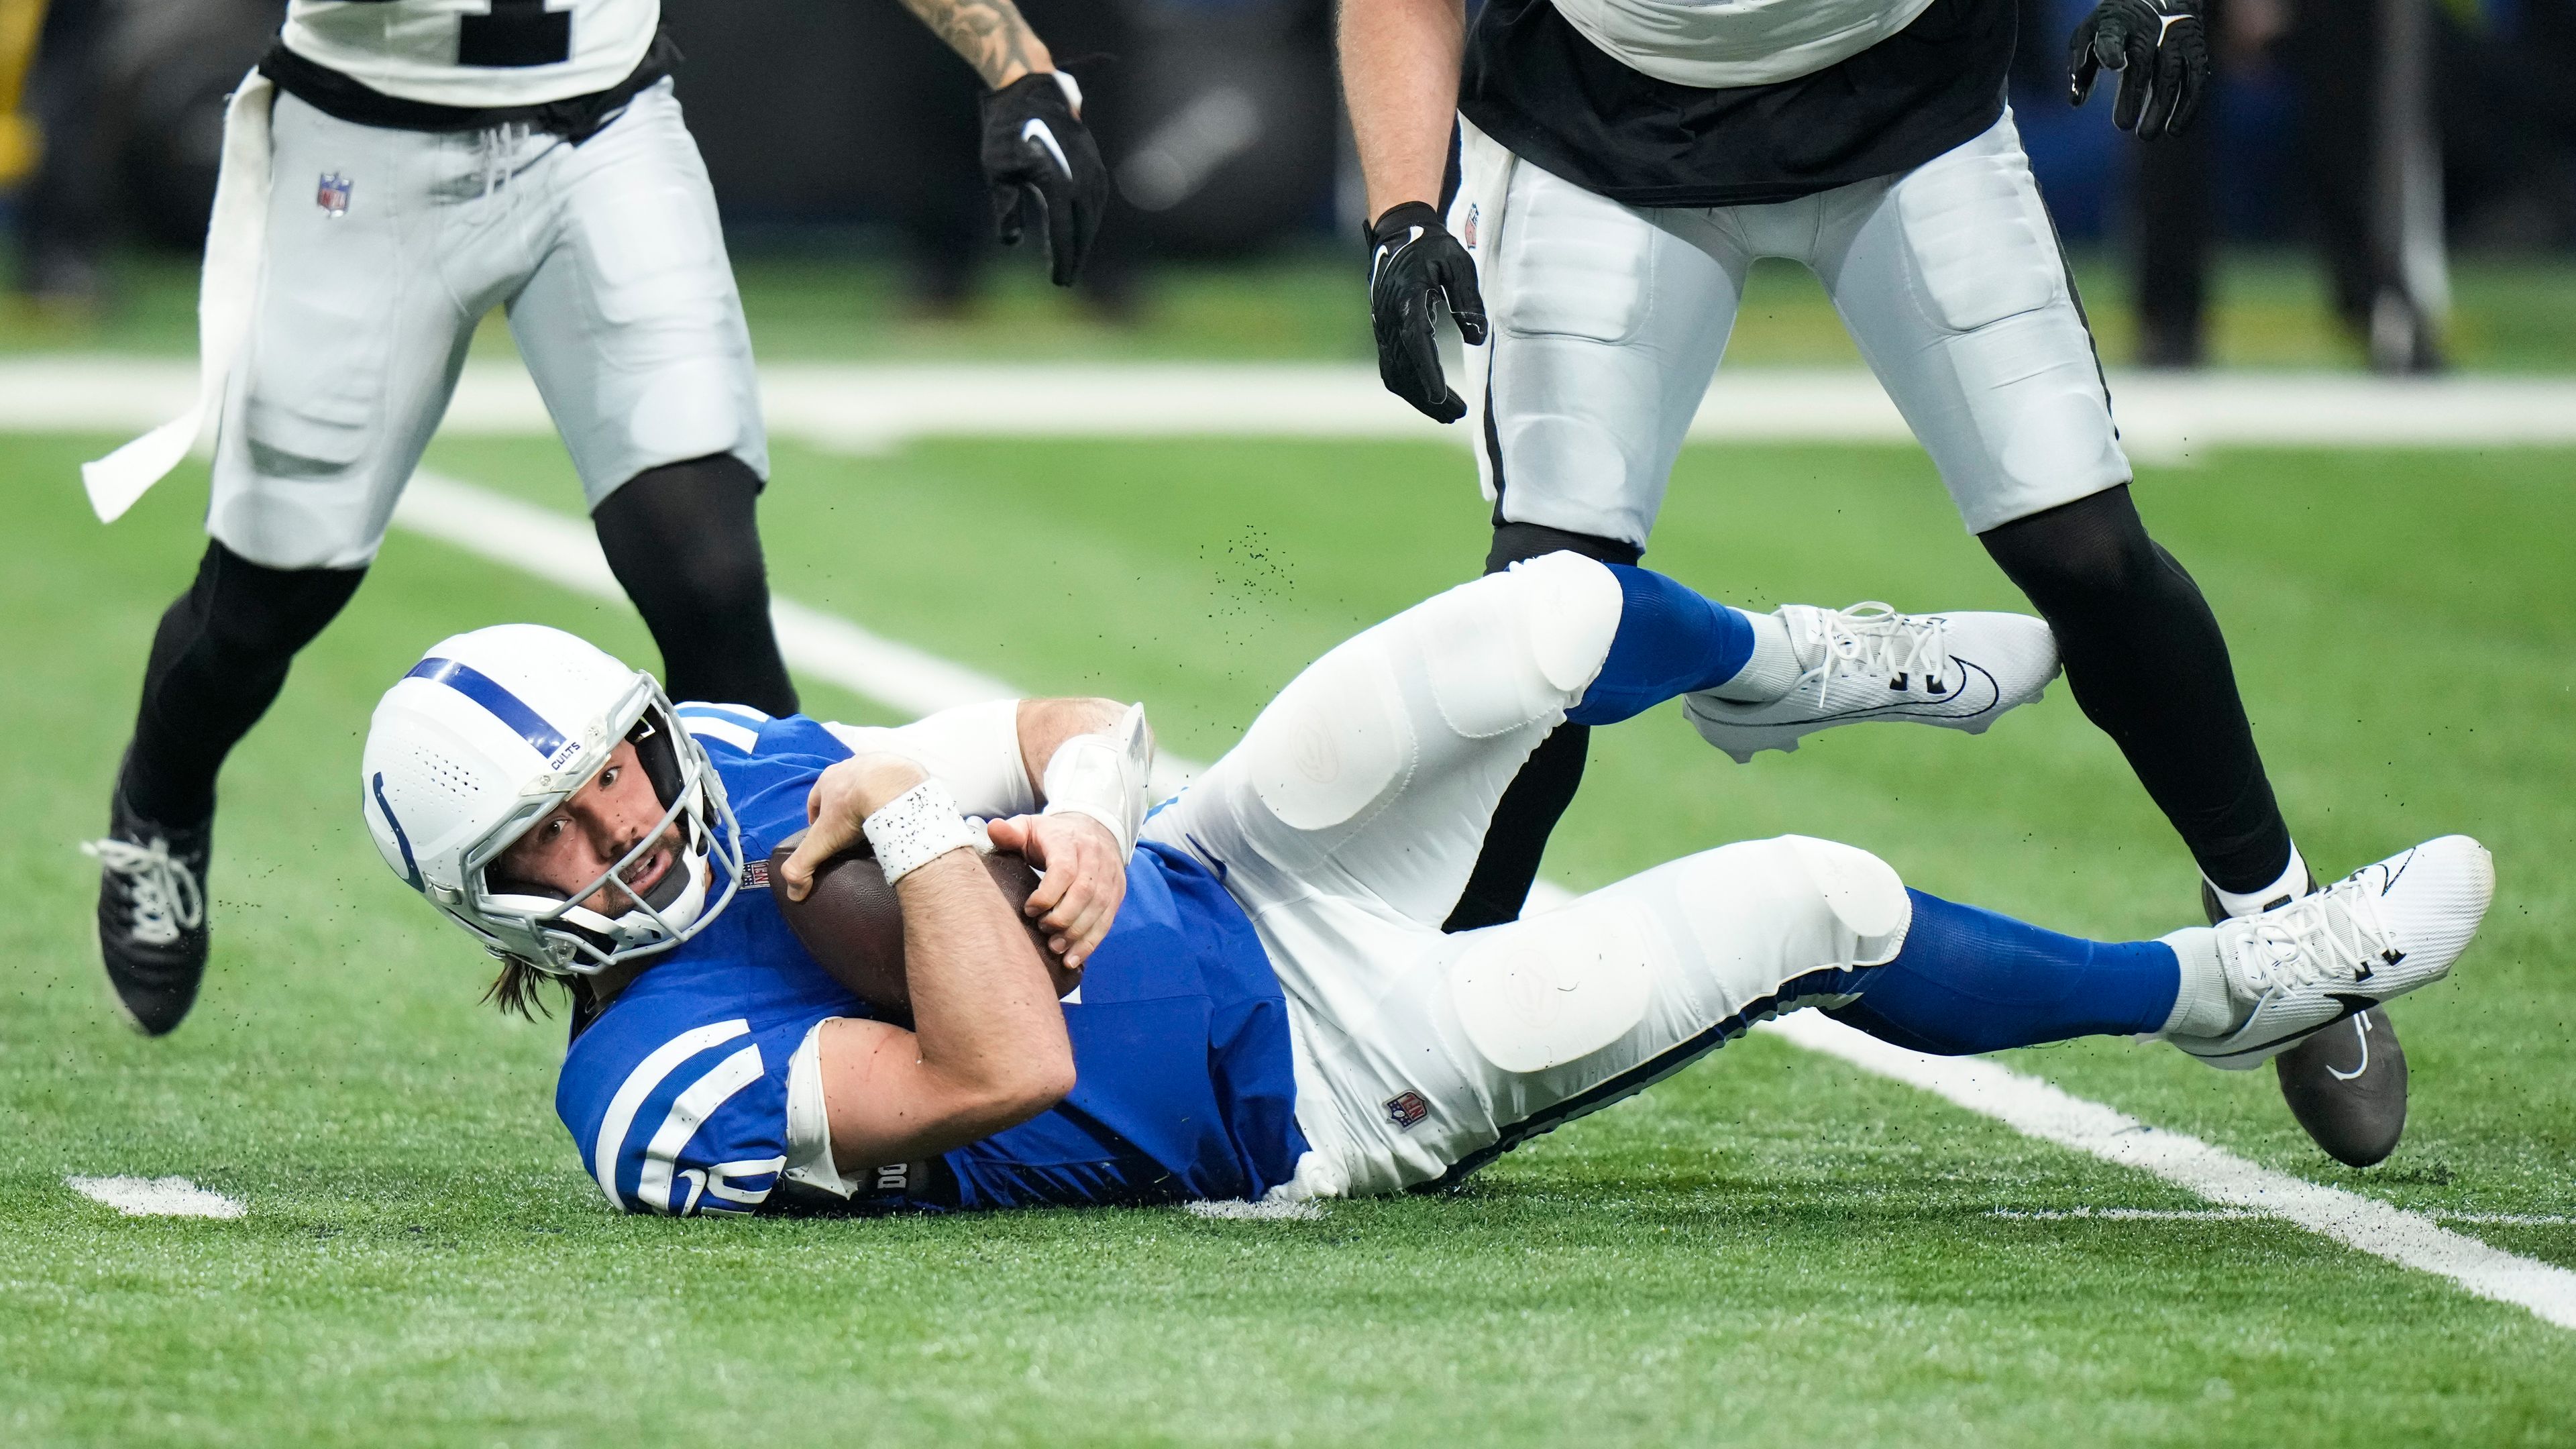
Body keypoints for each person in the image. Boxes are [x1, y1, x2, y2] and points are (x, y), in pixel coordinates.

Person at [358, 555, 2489, 1215]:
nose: (614, 826)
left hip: (1219, 873)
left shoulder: (732, 761)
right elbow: (997, 1061)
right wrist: (916, 815)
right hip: (1331, 1088)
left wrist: (1089, 813)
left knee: (1543, 613)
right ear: (490, 907)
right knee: (1815, 905)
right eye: (541, 835)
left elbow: (1077, 720)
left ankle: (1786, 671)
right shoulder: (642, 1094)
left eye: (607, 765)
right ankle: (2239, 988)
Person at [1341, 0, 2415, 1166]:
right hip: (1595, 122)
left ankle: (2282, 920)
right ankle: (1425, 1029)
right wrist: (1402, 210)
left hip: (1904, 91)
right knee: (1547, 608)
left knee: (2086, 550)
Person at [78, 0, 1111, 1036]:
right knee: (265, 602)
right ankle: (161, 805)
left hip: (604, 130)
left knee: (706, 573)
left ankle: (760, 963)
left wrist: (1019, 70)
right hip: (363, 148)